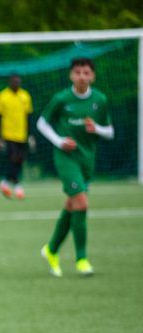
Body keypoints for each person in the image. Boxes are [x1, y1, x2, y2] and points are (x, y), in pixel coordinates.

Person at [37, 57, 114, 277]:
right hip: (66, 157)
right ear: (71, 75)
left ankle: (51, 250)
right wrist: (59, 141)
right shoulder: (62, 98)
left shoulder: (100, 99)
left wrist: (96, 128)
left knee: (72, 204)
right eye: (78, 72)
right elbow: (42, 123)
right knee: (81, 203)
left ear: (93, 76)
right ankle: (82, 259)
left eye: (86, 73)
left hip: (87, 159)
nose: (82, 76)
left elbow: (110, 131)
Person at [0, 74, 34, 200]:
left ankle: (6, 183)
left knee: (20, 159)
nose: (16, 83)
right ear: (10, 82)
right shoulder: (2, 96)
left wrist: (31, 135)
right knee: (13, 158)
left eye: (18, 81)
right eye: (14, 81)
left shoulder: (25, 96)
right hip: (8, 134)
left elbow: (29, 117)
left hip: (22, 134)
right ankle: (17, 187)